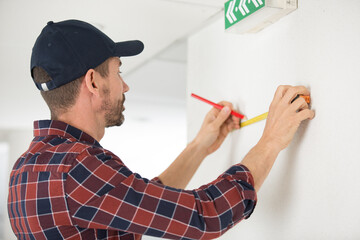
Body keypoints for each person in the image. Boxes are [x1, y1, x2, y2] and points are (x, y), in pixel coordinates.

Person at [7, 19, 315, 240]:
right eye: (118, 71)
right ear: (93, 82)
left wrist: (200, 146)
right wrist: (272, 138)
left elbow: (138, 209)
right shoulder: (79, 168)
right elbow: (205, 216)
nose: (125, 84)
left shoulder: (25, 170)